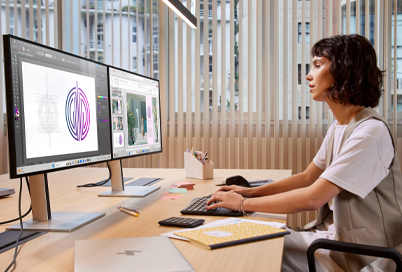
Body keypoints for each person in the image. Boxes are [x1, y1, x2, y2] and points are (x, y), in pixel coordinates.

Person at [206, 34, 402, 271]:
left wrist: (242, 203)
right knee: (250, 236)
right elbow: (307, 178)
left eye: (318, 65)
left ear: (344, 70)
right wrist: (251, 193)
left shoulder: (370, 132)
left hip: (363, 256)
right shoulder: (341, 127)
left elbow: (313, 198)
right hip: (334, 241)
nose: (309, 75)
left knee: (247, 247)